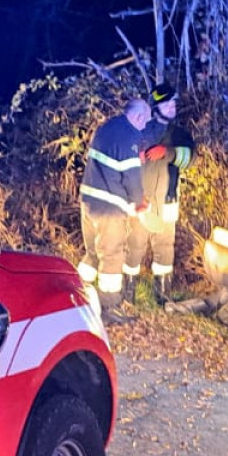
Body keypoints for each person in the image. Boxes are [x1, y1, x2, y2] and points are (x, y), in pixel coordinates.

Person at [79, 97, 154, 321]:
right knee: (112, 255)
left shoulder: (107, 128)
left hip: (89, 201)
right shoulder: (129, 136)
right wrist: (139, 202)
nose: (144, 127)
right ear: (139, 116)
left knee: (93, 252)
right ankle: (108, 308)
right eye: (145, 121)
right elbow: (132, 177)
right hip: (110, 208)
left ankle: (76, 294)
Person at [129, 82, 195, 300]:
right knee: (134, 245)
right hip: (141, 199)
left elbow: (190, 158)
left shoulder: (180, 135)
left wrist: (167, 152)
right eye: (167, 103)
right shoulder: (141, 131)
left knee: (165, 248)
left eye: (173, 103)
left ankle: (162, 296)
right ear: (155, 107)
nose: (172, 107)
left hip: (168, 200)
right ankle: (126, 296)